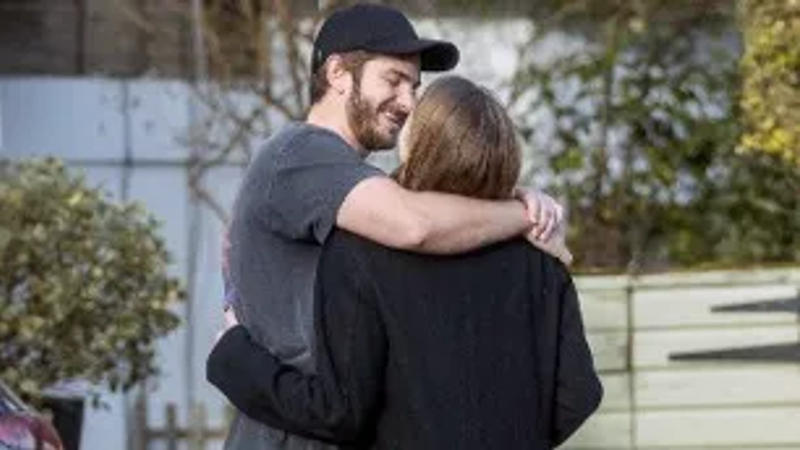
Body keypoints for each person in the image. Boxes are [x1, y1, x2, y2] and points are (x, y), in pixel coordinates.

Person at [221, 4, 570, 449]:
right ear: (338, 74)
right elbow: (416, 225)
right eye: (394, 80)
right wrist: (521, 215)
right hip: (293, 435)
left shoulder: (344, 181)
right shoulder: (300, 154)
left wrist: (514, 195)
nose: (408, 103)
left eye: (414, 87)